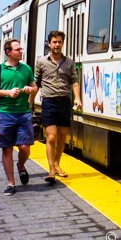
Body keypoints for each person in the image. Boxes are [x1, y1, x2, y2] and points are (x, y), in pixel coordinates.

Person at [0, 39, 37, 196]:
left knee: (24, 147)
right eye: (18, 49)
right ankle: (10, 183)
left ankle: (20, 165)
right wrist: (7, 93)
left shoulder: (26, 68)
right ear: (8, 52)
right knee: (7, 149)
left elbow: (35, 87)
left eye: (21, 49)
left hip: (23, 113)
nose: (21, 51)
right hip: (4, 113)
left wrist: (31, 89)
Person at [34, 31, 81, 183]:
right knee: (51, 136)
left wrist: (78, 98)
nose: (57, 45)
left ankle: (57, 163)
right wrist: (29, 100)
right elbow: (36, 82)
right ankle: (51, 169)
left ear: (62, 43)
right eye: (54, 42)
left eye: (59, 42)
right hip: (49, 102)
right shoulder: (41, 62)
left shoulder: (69, 62)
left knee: (62, 137)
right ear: (49, 43)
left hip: (64, 102)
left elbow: (74, 81)